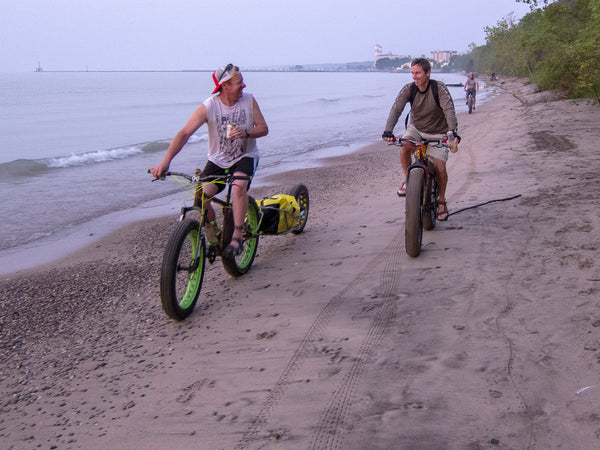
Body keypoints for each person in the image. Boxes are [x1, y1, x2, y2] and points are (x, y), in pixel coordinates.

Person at [150, 64, 268, 256]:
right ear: (225, 86)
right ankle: (213, 233)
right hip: (218, 160)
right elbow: (185, 132)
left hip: (246, 155)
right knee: (203, 196)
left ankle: (237, 236)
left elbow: (263, 128)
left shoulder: (249, 101)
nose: (244, 85)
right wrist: (165, 162)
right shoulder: (210, 106)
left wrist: (246, 132)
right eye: (239, 82)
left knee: (238, 186)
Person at [382, 57, 458, 221]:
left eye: (417, 73)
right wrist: (388, 130)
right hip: (416, 129)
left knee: (440, 168)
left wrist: (452, 132)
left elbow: (449, 110)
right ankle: (408, 180)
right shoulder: (409, 89)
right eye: (412, 73)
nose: (414, 76)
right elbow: (396, 109)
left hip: (438, 132)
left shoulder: (439, 89)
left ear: (428, 73)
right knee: (404, 147)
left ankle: (442, 200)